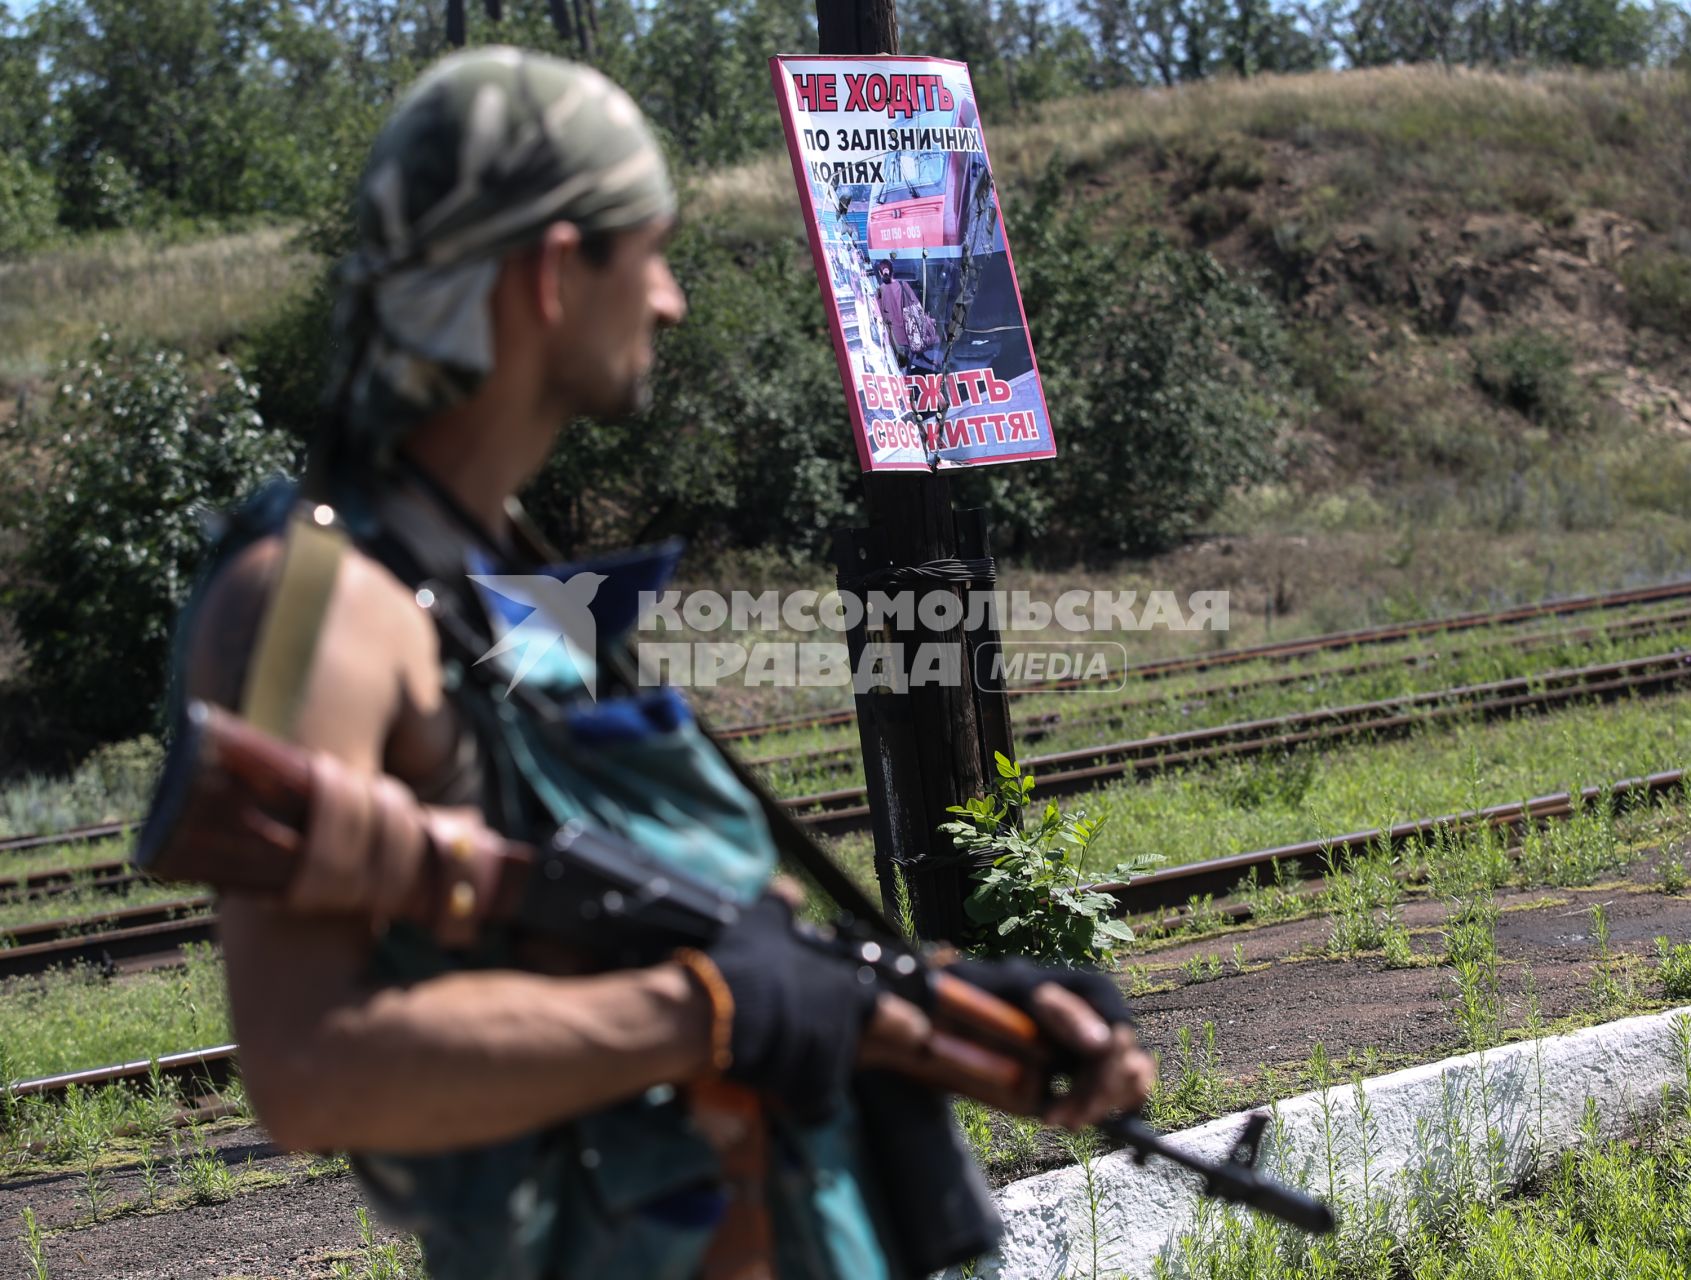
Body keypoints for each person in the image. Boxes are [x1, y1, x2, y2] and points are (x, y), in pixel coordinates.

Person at [172, 47, 1154, 1279]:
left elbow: (703, 925)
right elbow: (305, 1067)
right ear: (549, 271)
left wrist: (960, 1006)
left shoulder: (509, 584)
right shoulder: (318, 605)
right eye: (650, 250)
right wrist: (705, 1014)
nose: (671, 297)